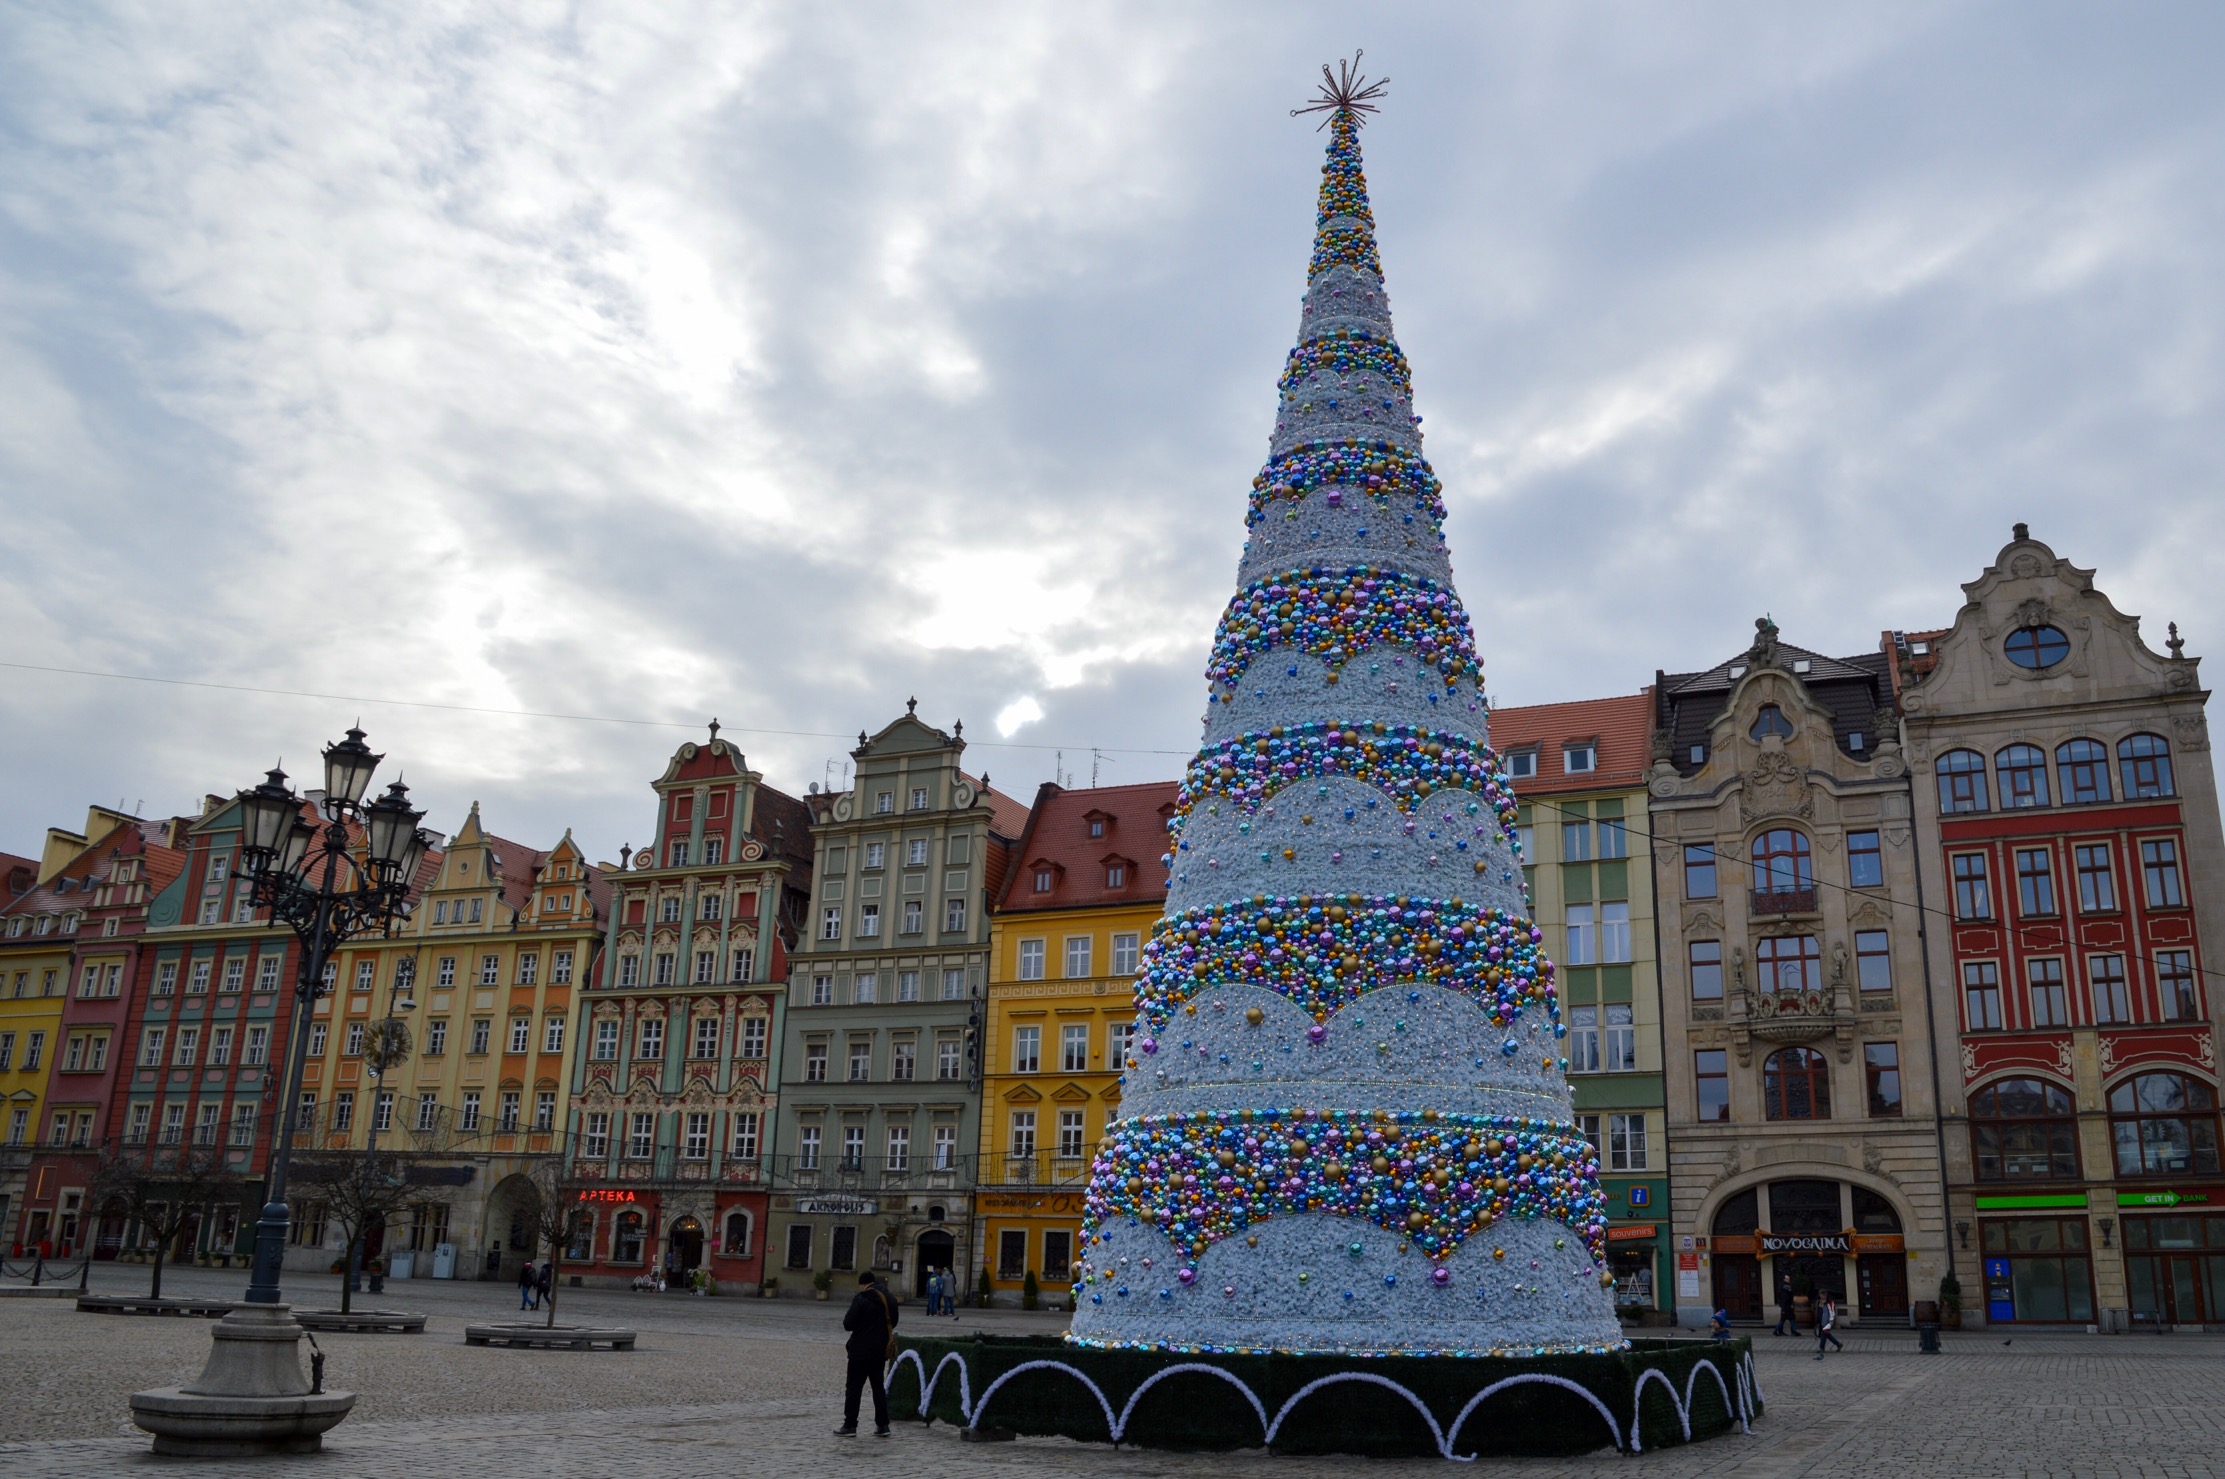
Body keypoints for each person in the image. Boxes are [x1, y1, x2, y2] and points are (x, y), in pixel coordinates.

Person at [835, 1270, 899, 1438]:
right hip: (880, 1350)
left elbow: (848, 1324)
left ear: (864, 1284)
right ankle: (883, 1425)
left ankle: (850, 1425)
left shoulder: (861, 1298)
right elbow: (894, 1321)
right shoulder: (889, 1298)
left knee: (854, 1388)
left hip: (859, 1351)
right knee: (878, 1387)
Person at [1815, 1293, 1844, 1358]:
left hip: (1827, 1322)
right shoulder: (1819, 1302)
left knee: (1823, 1334)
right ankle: (1838, 1344)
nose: (1821, 1297)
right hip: (1822, 1321)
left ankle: (1822, 1348)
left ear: (1825, 1295)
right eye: (1820, 1296)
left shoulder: (1829, 1303)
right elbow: (1819, 1311)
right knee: (1826, 1334)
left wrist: (1831, 1321)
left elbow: (1832, 1312)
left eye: (1822, 1295)